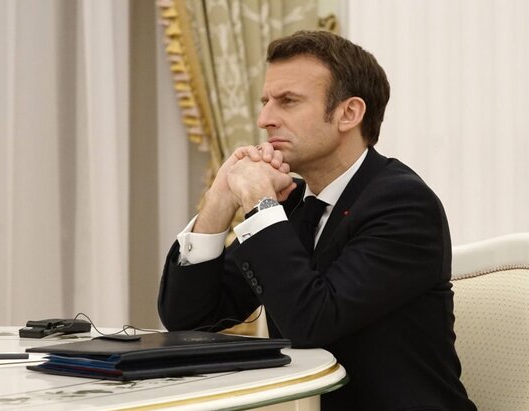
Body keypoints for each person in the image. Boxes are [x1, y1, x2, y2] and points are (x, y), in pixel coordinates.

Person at [158, 30, 476, 410]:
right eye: (265, 102)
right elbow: (189, 318)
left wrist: (259, 203)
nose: (264, 119)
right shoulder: (292, 203)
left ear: (348, 113)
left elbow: (311, 323)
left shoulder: (404, 204)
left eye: (288, 101)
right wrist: (219, 201)